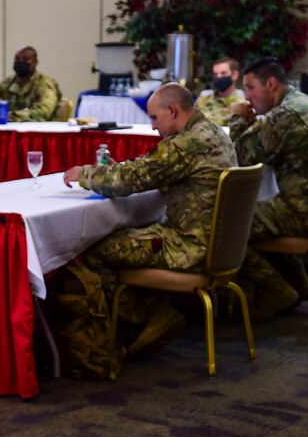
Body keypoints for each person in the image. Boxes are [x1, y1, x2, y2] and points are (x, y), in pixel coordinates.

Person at [62, 83, 236, 357]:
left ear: (172, 110)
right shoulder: (214, 133)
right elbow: (155, 171)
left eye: (155, 118)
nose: (153, 126)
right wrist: (124, 172)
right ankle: (155, 310)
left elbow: (130, 179)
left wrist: (84, 174)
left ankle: (146, 317)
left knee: (97, 250)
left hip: (189, 247)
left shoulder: (186, 143)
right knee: (137, 230)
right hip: (219, 245)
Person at [228, 57, 308, 319]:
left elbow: (240, 157)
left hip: (305, 211)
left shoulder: (285, 115)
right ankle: (298, 282)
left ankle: (276, 289)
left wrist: (237, 119)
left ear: (271, 84)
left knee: (227, 225)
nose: (247, 97)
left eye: (251, 88)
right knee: (260, 211)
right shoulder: (305, 103)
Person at [0, 46, 62, 122]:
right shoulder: (7, 83)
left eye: (26, 59)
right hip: (10, 132)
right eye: (17, 59)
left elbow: (42, 112)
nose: (20, 61)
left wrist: (6, 117)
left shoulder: (45, 84)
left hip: (42, 133)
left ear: (35, 62)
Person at [194, 56, 246, 126]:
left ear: (234, 75)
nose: (219, 77)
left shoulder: (243, 104)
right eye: (215, 74)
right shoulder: (203, 101)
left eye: (223, 73)